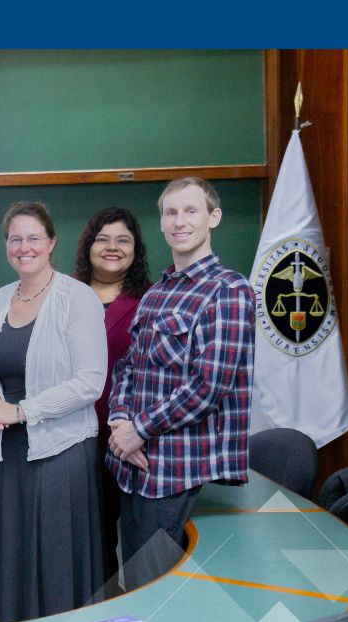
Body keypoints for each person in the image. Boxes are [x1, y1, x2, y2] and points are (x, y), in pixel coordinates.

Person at [106, 178, 255, 592]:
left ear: (214, 217)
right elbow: (128, 368)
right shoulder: (156, 293)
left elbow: (209, 386)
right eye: (170, 212)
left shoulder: (229, 291)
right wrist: (120, 421)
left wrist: (139, 430)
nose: (179, 221)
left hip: (177, 470)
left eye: (191, 211)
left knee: (158, 593)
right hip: (134, 467)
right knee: (137, 587)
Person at [0, 201, 107, 622]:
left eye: (33, 237)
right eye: (15, 239)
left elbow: (89, 382)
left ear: (51, 242)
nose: (24, 247)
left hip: (59, 453)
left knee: (54, 562)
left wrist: (21, 412)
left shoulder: (77, 298)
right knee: (6, 559)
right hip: (2, 454)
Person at [73, 208, 153, 589]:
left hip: (130, 436)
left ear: (135, 250)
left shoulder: (151, 299)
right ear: (88, 246)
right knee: (90, 537)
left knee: (139, 537)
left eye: (123, 240)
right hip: (73, 433)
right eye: (102, 239)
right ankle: (100, 608)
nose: (112, 247)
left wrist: (137, 429)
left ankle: (137, 609)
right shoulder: (64, 293)